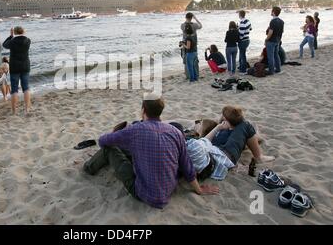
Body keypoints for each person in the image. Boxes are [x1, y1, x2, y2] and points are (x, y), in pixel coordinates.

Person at [83, 96, 219, 209]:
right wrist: (198, 189)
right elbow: (186, 165)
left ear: (143, 110)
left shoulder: (135, 130)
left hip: (143, 193)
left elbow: (103, 141)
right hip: (168, 191)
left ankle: (88, 168)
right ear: (160, 112)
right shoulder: (176, 132)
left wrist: (115, 137)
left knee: (109, 148)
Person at [184, 107, 275, 181]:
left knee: (226, 128)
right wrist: (199, 190)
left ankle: (232, 126)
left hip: (212, 150)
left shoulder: (183, 147)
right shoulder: (190, 147)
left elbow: (203, 143)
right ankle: (258, 157)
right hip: (222, 156)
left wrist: (218, 127)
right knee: (245, 125)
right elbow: (200, 145)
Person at [3, 26, 32, 115]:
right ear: (23, 31)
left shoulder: (12, 41)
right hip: (25, 66)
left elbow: (4, 45)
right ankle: (27, 109)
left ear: (15, 32)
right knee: (26, 88)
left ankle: (14, 111)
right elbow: (23, 36)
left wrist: (11, 36)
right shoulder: (28, 40)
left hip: (15, 67)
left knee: (14, 89)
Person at [180, 13, 202, 80]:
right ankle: (196, 75)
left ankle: (188, 75)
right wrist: (195, 18)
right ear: (191, 17)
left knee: (186, 61)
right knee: (195, 61)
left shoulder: (182, 25)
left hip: (185, 43)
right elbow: (201, 26)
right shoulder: (194, 25)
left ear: (185, 17)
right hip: (194, 44)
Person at [265, 7, 284, 75]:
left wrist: (266, 39)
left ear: (273, 12)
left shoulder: (273, 21)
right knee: (276, 55)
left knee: (271, 56)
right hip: (277, 40)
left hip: (271, 41)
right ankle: (278, 69)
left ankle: (271, 71)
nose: (271, 12)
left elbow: (270, 32)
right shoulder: (281, 21)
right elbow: (282, 32)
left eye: (271, 10)